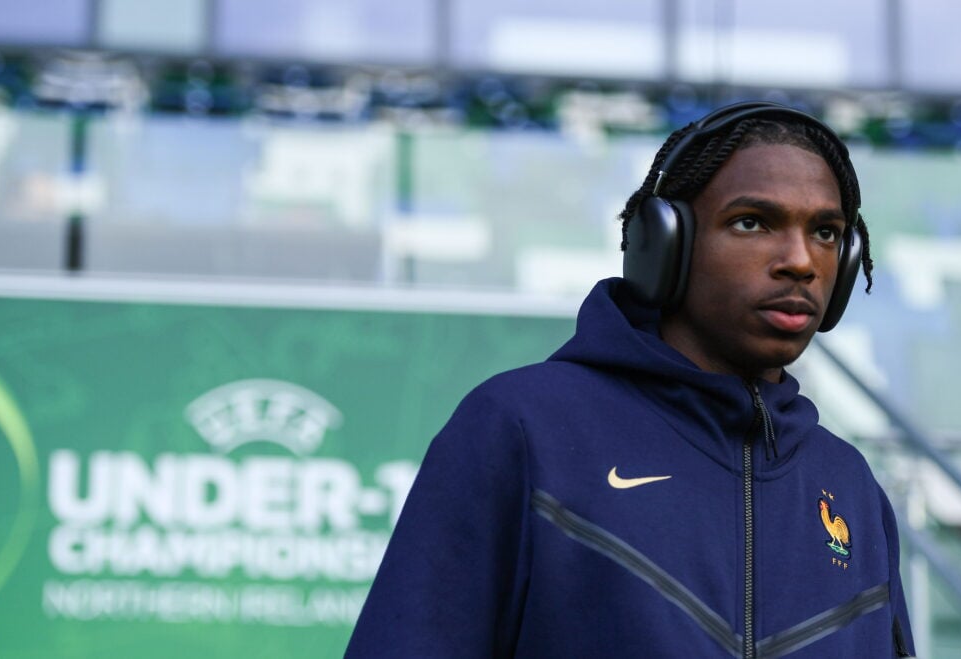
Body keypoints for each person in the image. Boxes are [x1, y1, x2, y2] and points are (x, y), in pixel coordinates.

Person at [345, 102, 915, 658]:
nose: (801, 260)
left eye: (826, 233)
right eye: (752, 222)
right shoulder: (523, 429)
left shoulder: (851, 487)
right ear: (663, 245)